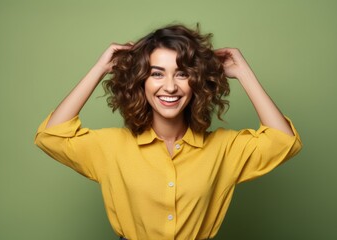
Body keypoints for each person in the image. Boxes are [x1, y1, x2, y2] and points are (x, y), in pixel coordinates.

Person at [35, 24, 302, 240]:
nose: (171, 87)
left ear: (196, 81)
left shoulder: (224, 149)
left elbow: (283, 141)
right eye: (157, 74)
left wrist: (244, 72)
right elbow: (52, 136)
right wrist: (99, 69)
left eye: (183, 74)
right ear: (141, 81)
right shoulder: (112, 146)